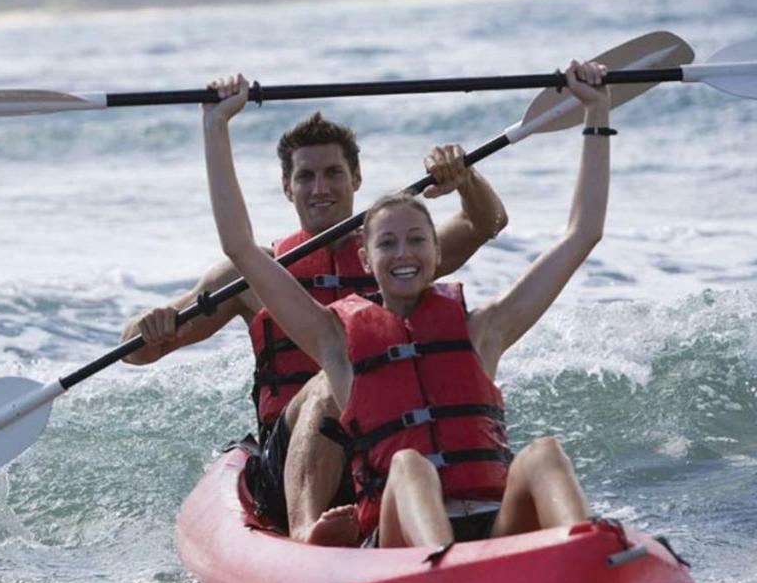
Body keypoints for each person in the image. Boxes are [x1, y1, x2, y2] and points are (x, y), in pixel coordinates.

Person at [202, 61, 610, 548]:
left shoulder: (483, 331)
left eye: (417, 241)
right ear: (365, 259)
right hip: (402, 540)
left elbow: (582, 233)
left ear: (438, 254)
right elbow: (240, 247)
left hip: (492, 523)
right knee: (409, 466)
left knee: (543, 454)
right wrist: (216, 126)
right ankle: (438, 568)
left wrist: (596, 111)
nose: (403, 255)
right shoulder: (338, 346)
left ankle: (589, 552)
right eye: (387, 244)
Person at [121, 114, 507, 544]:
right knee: (329, 382)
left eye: (333, 174)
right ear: (288, 188)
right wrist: (148, 325)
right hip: (287, 461)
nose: (320, 188)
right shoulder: (254, 274)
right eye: (305, 176)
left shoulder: (395, 257)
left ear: (356, 178)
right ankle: (307, 532)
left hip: (386, 442)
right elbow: (138, 351)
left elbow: (485, 224)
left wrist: (465, 178)